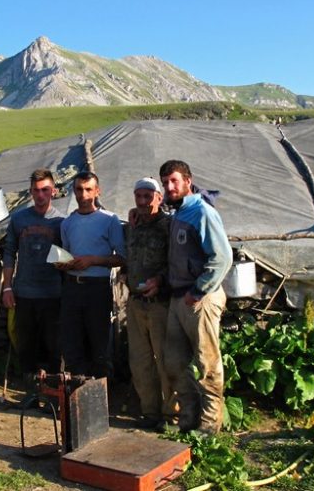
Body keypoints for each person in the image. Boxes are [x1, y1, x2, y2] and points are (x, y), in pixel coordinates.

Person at [159, 159, 232, 435]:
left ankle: (210, 424)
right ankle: (188, 417)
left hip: (200, 298)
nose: (169, 186)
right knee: (175, 361)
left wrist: (198, 290)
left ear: (188, 181)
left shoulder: (202, 212)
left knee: (207, 362)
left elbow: (223, 257)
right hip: (180, 298)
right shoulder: (179, 213)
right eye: (166, 182)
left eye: (174, 180)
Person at [55, 171, 126, 379]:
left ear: (97, 191)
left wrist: (93, 260)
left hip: (97, 287)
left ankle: (100, 395)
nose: (83, 194)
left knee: (99, 342)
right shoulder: (67, 223)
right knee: (72, 341)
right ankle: (76, 391)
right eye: (79, 189)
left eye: (88, 189)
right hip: (71, 287)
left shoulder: (109, 220)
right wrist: (63, 264)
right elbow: (66, 256)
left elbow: (122, 258)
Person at [1, 169, 64, 379]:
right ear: (30, 192)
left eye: (45, 190)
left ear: (53, 191)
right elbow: (9, 252)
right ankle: (30, 391)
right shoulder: (19, 219)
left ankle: (53, 395)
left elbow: (69, 257)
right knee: (26, 346)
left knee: (54, 347)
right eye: (36, 190)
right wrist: (8, 286)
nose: (40, 195)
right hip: (25, 293)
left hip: (53, 294)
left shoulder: (61, 222)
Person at [124, 177, 176, 430]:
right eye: (139, 197)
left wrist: (161, 280)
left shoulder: (169, 226)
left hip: (160, 303)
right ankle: (150, 412)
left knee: (166, 360)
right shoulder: (132, 225)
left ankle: (171, 415)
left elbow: (178, 262)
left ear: (159, 197)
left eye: (148, 196)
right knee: (140, 360)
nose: (143, 202)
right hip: (135, 303)